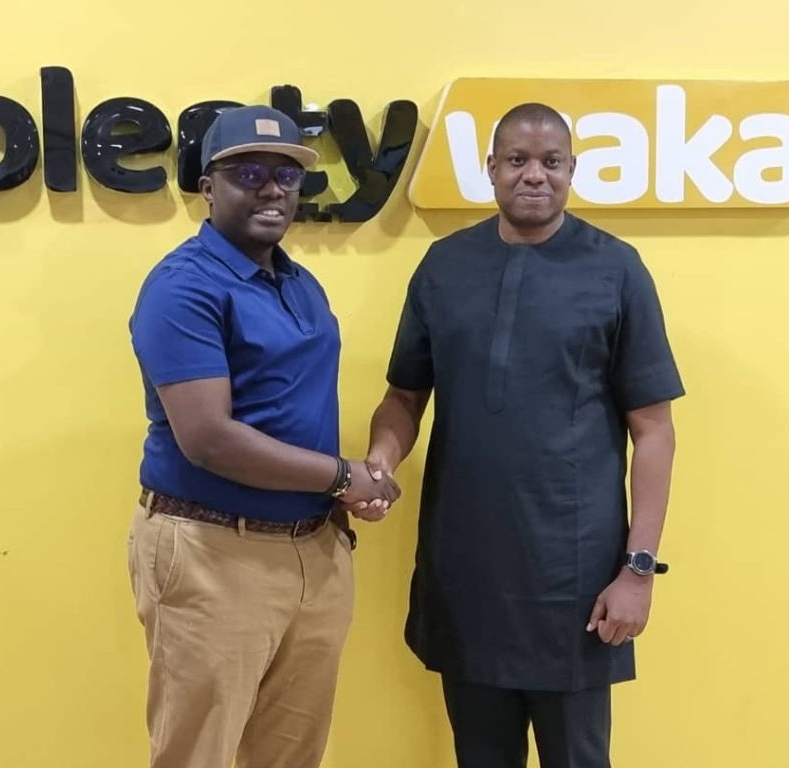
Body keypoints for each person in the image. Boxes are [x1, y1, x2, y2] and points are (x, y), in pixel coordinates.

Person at [356, 102, 684, 768]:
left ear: (572, 169)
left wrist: (638, 570)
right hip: (467, 572)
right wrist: (380, 461)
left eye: (551, 161)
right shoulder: (444, 267)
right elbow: (404, 396)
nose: (534, 174)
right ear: (491, 169)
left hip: (576, 581)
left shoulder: (616, 270)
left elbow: (654, 431)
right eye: (517, 160)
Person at [126, 105, 399, 768]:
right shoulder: (182, 287)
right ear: (207, 187)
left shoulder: (299, 283)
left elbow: (293, 409)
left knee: (291, 755)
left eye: (287, 175)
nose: (272, 189)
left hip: (314, 552)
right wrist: (343, 476)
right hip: (213, 552)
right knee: (198, 754)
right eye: (249, 174)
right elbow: (208, 439)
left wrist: (342, 494)